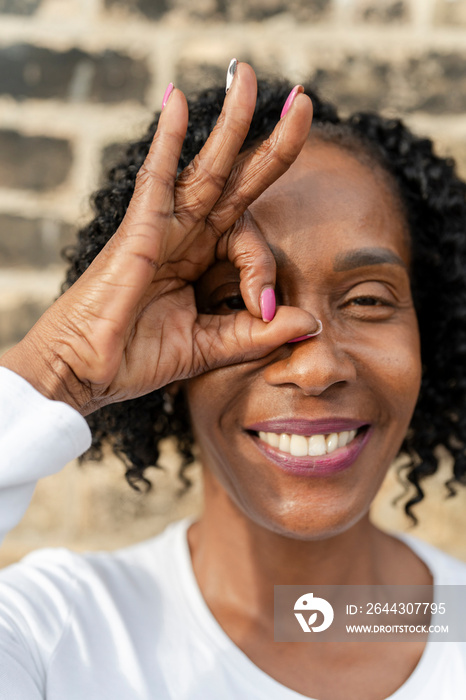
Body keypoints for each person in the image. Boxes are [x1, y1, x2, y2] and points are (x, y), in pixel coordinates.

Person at [1, 60, 466, 699]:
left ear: (430, 334)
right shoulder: (56, 633)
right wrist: (62, 370)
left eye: (365, 301)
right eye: (233, 301)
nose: (316, 365)